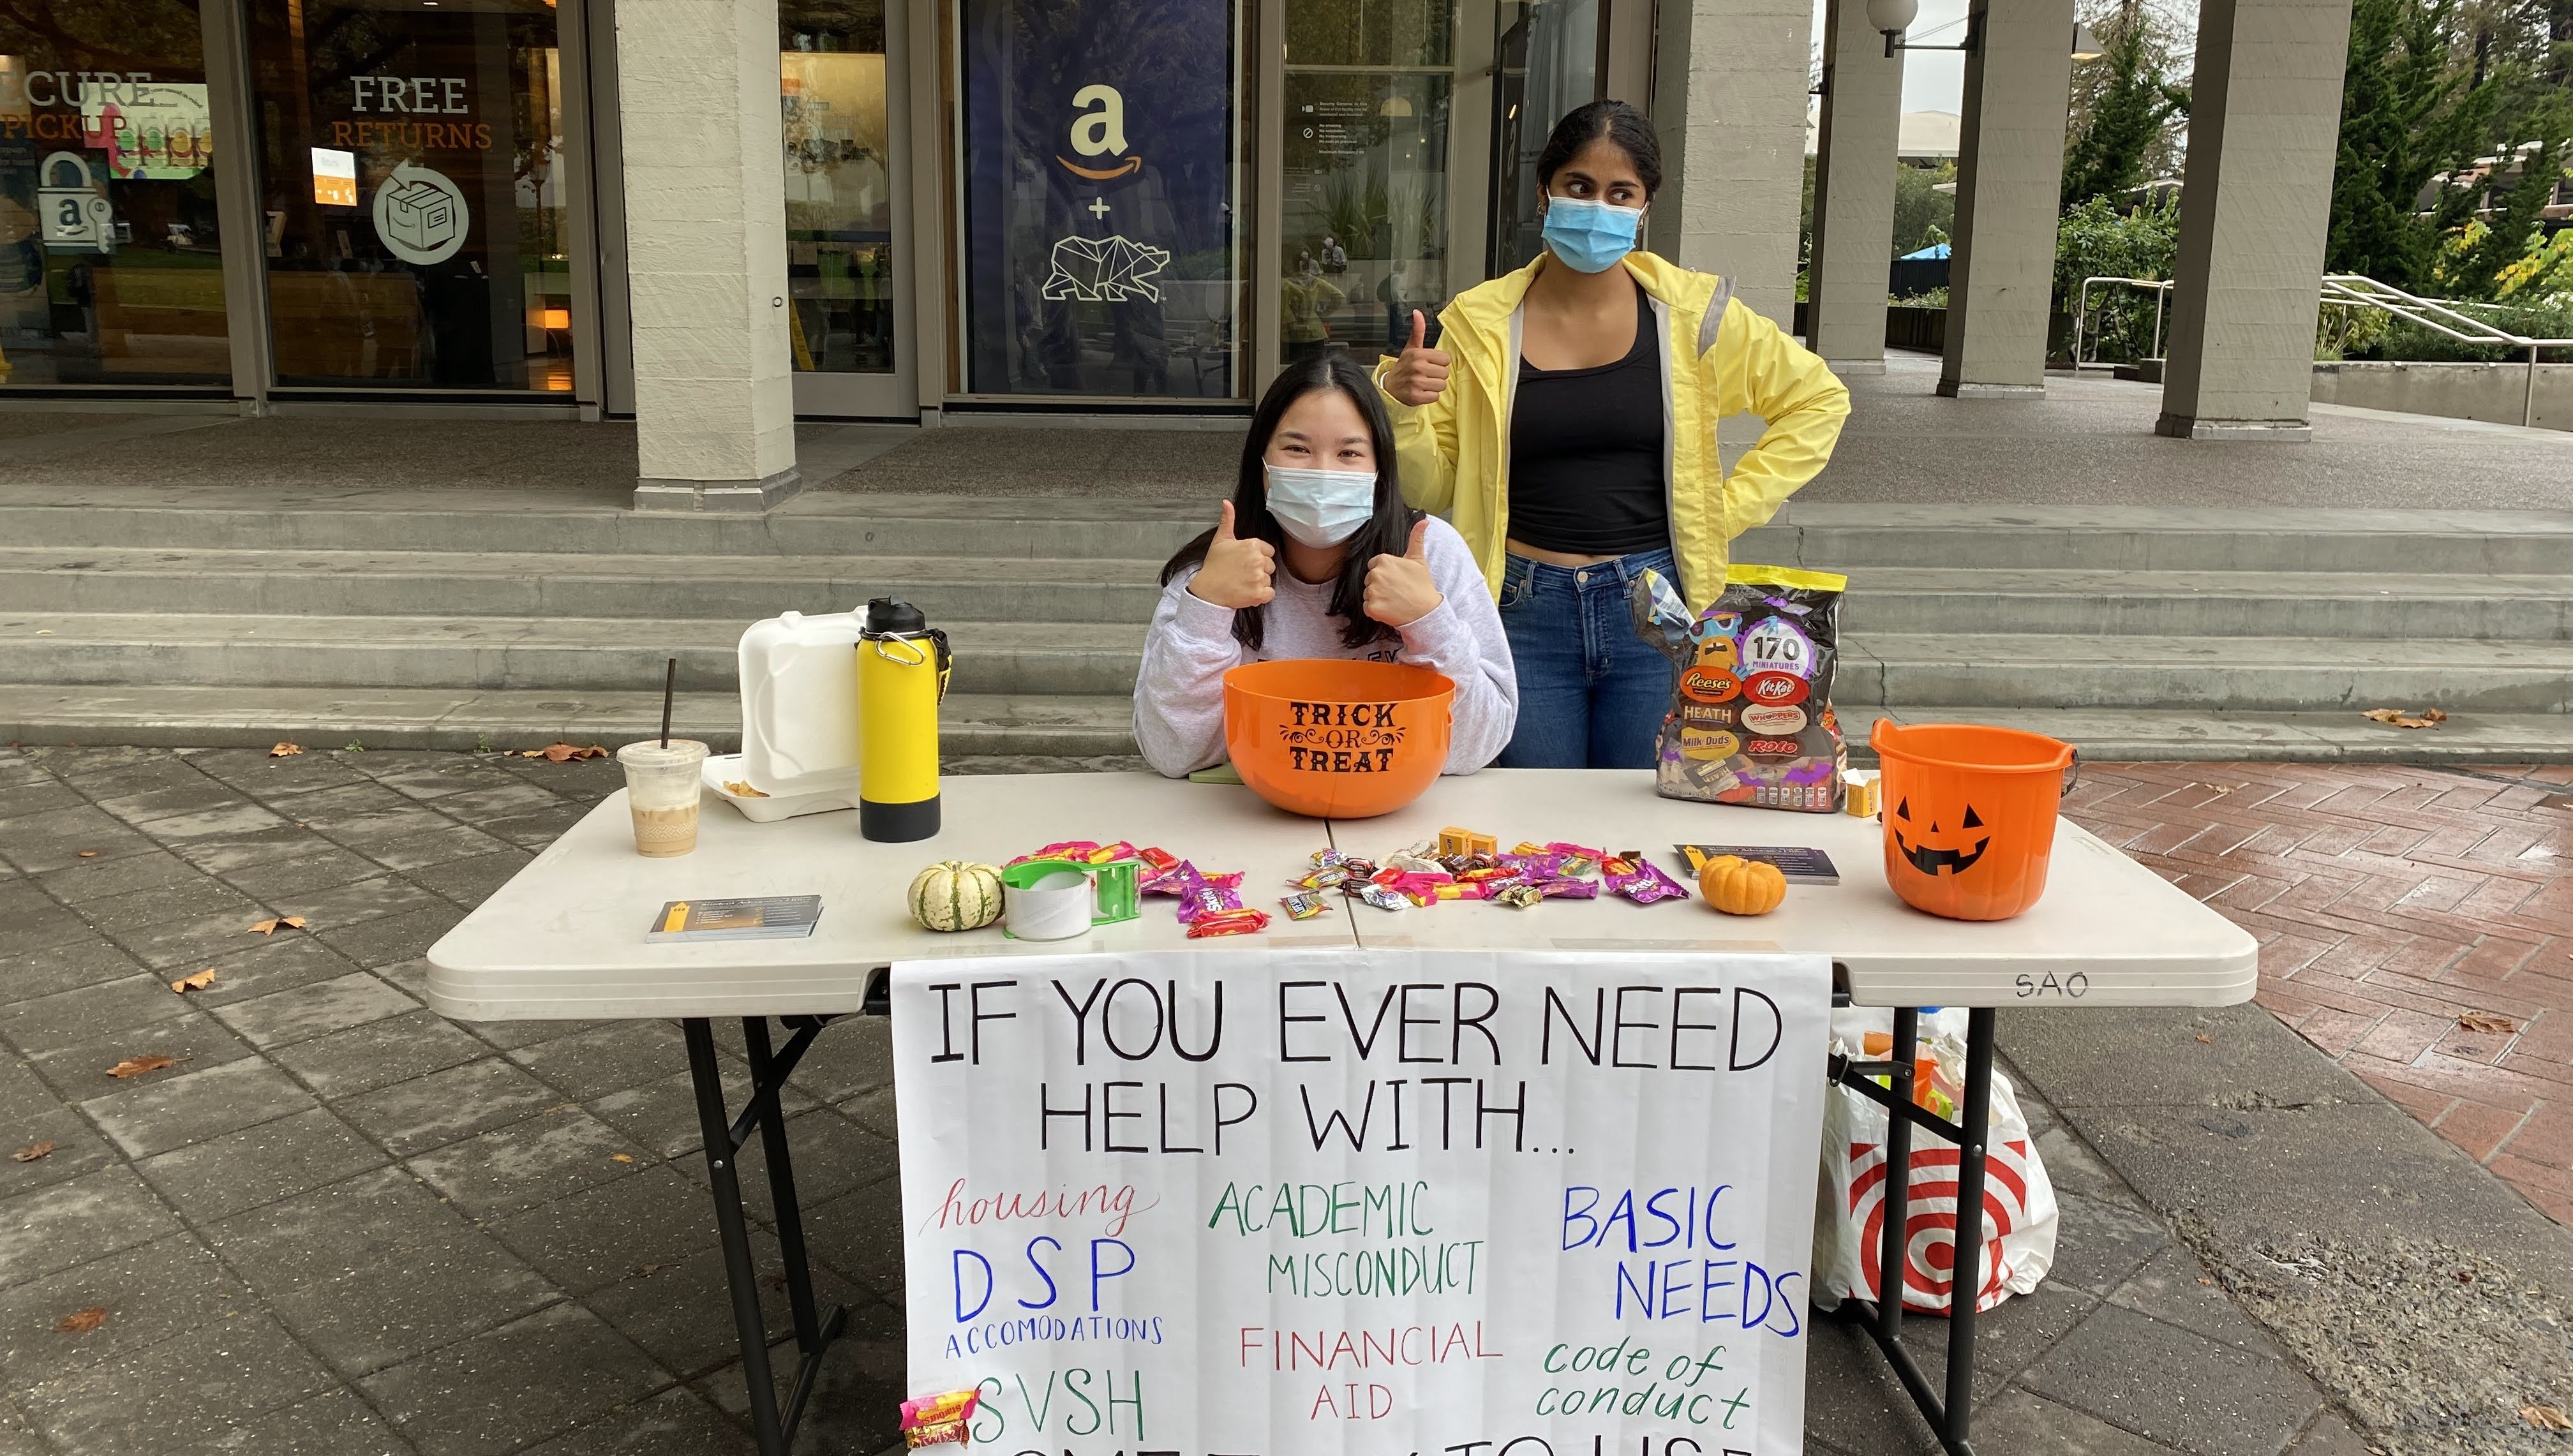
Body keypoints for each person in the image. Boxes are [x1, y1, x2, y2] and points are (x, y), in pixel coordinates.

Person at [1376, 100, 1850, 769]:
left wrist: (1727, 506)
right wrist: (1405, 407)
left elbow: (1818, 400)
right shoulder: (1478, 324)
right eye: (1579, 186)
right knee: (1535, 827)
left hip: (1654, 605)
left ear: (1643, 206)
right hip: (1519, 605)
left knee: (1642, 819)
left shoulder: (1693, 317)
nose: (1596, 206)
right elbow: (1434, 484)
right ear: (1546, 192)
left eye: (1619, 192)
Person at [1134, 352, 1518, 778]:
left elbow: (1476, 749)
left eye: (1349, 453)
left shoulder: (1431, 555)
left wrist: (1430, 622)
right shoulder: (1210, 574)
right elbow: (1172, 754)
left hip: (1401, 826)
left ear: (1380, 468)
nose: (1321, 472)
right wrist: (1206, 610)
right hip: (1251, 820)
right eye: (1297, 448)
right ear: (1261, 461)